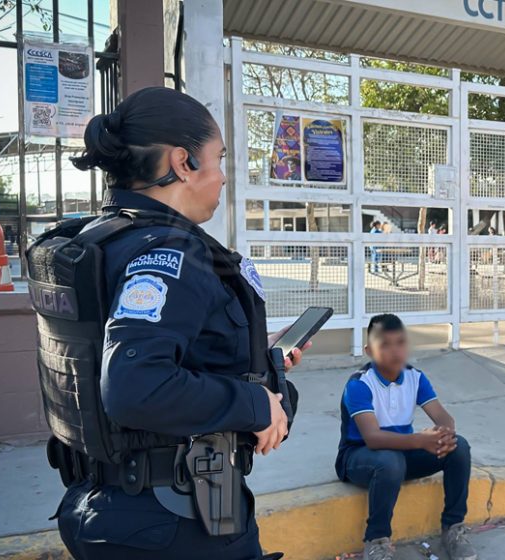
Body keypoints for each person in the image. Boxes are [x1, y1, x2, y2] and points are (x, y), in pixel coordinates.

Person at [27, 87, 306, 560]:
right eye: (218, 159)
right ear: (183, 163)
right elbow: (137, 385)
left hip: (103, 508)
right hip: (175, 523)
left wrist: (262, 357)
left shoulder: (102, 240)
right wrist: (256, 402)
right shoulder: (170, 252)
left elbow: (140, 347)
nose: (222, 178)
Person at [335, 314, 476, 560]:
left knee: (459, 447)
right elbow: (373, 438)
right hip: (359, 459)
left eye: (400, 342)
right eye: (385, 344)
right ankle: (376, 540)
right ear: (369, 351)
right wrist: (421, 440)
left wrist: (441, 436)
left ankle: (453, 529)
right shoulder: (359, 384)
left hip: (400, 456)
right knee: (390, 461)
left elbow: (445, 420)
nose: (395, 351)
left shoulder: (415, 377)